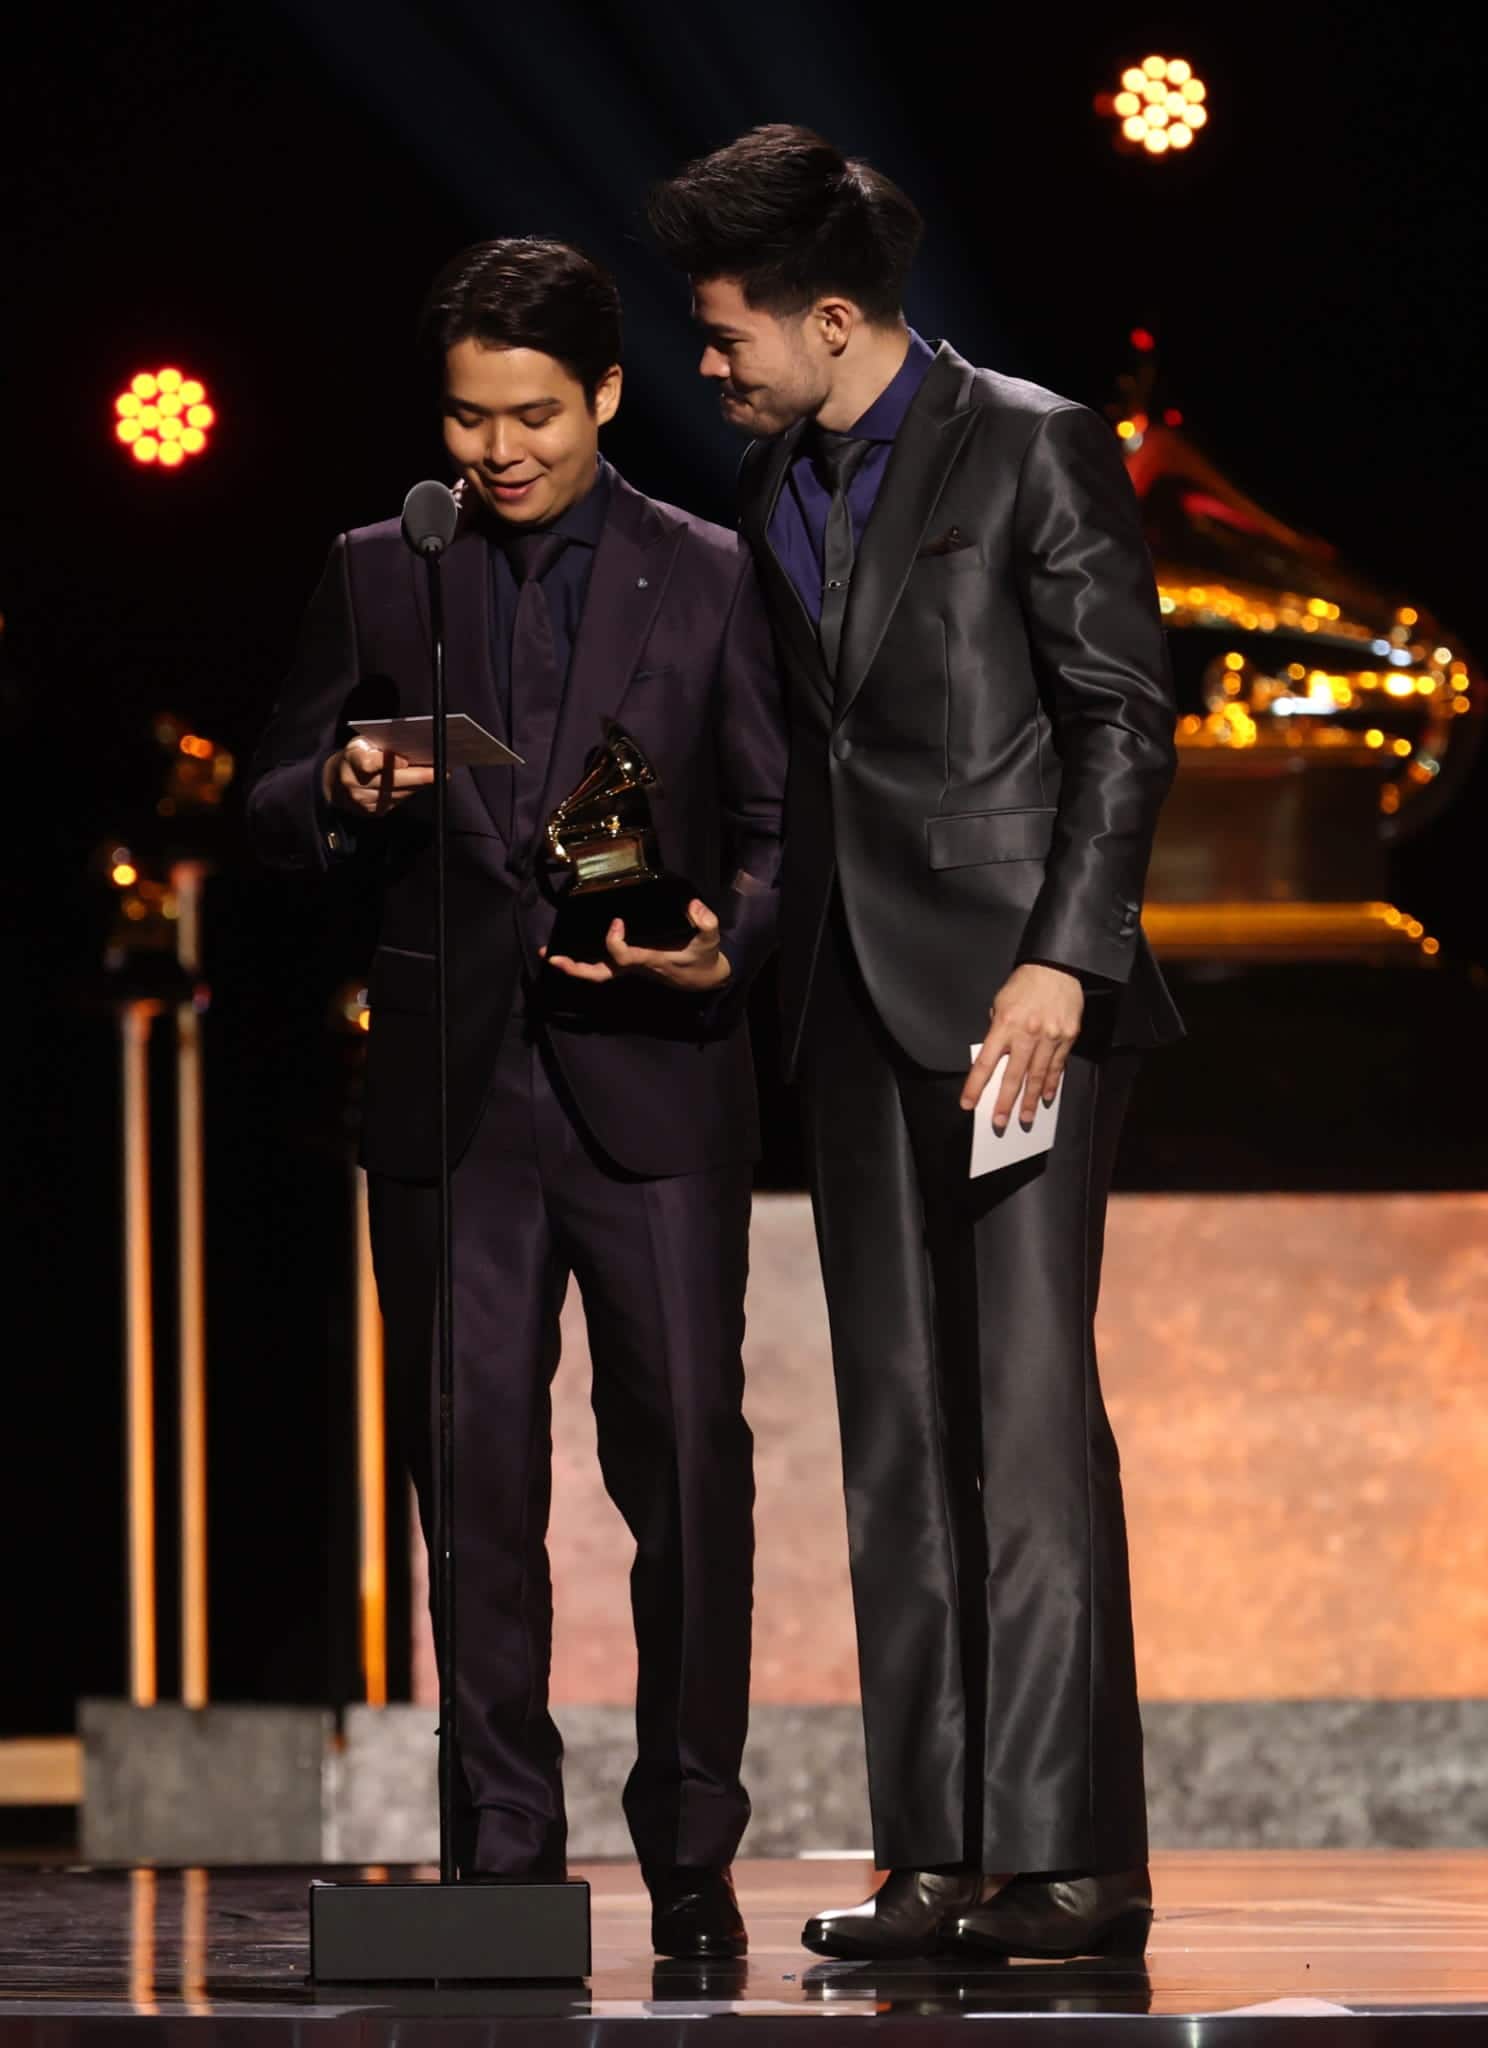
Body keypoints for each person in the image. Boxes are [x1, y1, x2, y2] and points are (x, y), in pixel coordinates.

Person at [649, 127, 1182, 1962]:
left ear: (828, 314)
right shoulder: (768, 490)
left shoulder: (1027, 440)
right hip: (854, 1008)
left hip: (1021, 1003)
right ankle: (936, 1856)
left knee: (1024, 1422)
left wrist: (1065, 963)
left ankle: (1068, 1864)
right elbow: (809, 767)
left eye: (724, 336)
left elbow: (1123, 718)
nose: (705, 367)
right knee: (898, 1427)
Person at [244, 237, 787, 1960]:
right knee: (471, 1481)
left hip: (656, 1092)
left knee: (688, 1472)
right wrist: (333, 782)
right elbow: (267, 806)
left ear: (608, 397)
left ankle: (692, 1854)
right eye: (472, 419)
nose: (499, 454)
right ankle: (503, 1862)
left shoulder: (705, 573)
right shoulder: (380, 567)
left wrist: (726, 946)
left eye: (535, 417)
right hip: (451, 1102)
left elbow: (783, 835)